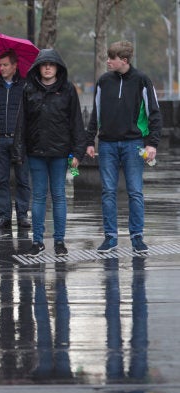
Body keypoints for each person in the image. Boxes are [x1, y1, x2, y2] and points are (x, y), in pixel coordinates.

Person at [86, 40, 162, 254]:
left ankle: (137, 237)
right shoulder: (103, 82)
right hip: (108, 144)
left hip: (134, 144)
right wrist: (90, 141)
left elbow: (154, 113)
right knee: (108, 192)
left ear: (124, 60)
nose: (108, 61)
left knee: (135, 192)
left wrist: (152, 144)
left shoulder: (142, 81)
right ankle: (110, 238)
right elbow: (96, 114)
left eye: (112, 58)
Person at [13, 49, 86, 257]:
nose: (47, 68)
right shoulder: (29, 90)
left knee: (59, 196)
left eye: (51, 64)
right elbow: (22, 123)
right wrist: (19, 151)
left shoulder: (68, 90)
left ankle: (60, 241)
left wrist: (78, 153)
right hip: (36, 151)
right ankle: (37, 242)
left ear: (58, 68)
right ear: (38, 67)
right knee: (38, 197)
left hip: (60, 152)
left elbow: (76, 123)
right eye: (44, 64)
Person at [0, 49, 31, 230]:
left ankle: (22, 215)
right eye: (0, 65)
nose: (2, 68)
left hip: (20, 140)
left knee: (23, 179)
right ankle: (4, 216)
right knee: (1, 180)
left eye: (5, 65)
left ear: (15, 66)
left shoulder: (25, 86)